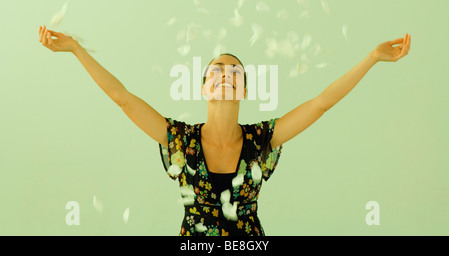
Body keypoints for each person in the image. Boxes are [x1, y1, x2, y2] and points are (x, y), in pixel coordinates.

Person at [37, 25, 411, 236]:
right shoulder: (178, 139)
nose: (225, 76)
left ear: (244, 90)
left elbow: (320, 103)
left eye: (234, 73)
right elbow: (123, 98)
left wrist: (372, 58)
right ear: (203, 88)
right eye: (216, 71)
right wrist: (75, 49)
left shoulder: (263, 139)